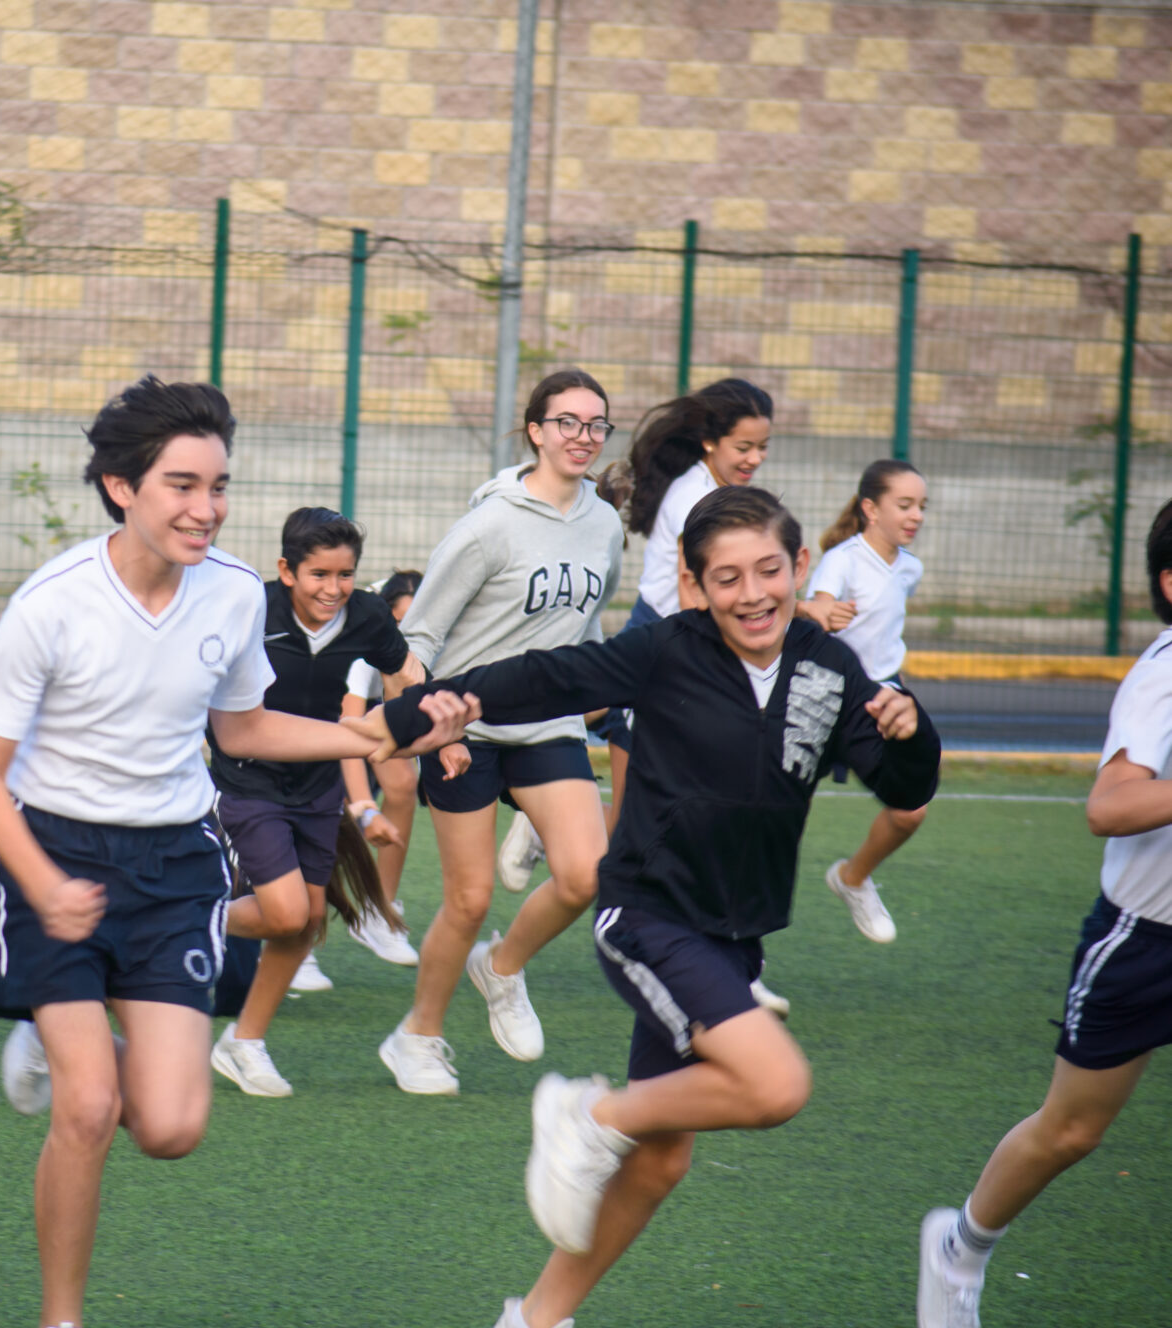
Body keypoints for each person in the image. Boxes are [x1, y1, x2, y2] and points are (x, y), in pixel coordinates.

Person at [0, 377, 470, 1328]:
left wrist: (383, 731)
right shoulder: (51, 603)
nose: (205, 505)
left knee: (173, 1127)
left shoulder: (232, 592)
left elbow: (242, 727)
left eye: (218, 483)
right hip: (49, 848)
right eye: (181, 483)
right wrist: (43, 883)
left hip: (175, 863)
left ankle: (75, 1037)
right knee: (90, 1106)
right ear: (120, 487)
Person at [366, 484, 940, 1328]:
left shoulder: (830, 666)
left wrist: (909, 730)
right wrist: (434, 705)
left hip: (734, 933)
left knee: (661, 1161)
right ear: (695, 582)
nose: (751, 593)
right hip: (649, 914)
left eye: (768, 571)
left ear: (798, 567)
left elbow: (900, 782)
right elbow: (547, 675)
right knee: (776, 1085)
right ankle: (586, 1111)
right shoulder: (667, 651)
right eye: (726, 577)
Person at [916, 497, 1172, 1328]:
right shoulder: (1165, 675)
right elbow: (1110, 803)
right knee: (1072, 1130)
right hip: (1146, 942)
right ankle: (962, 1249)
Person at [378, 370, 623, 1095]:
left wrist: (601, 694)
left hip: (545, 723)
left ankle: (503, 965)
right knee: (469, 898)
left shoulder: (605, 524)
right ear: (536, 431)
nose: (583, 436)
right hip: (467, 727)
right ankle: (417, 1035)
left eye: (597, 424)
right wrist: (436, 730)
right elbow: (413, 641)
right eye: (568, 422)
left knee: (585, 873)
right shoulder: (487, 525)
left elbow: (589, 621)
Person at [205, 507, 422, 1097]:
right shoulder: (252, 610)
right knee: (284, 913)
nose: (333, 589)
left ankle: (243, 1044)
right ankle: (172, 924)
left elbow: (405, 669)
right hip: (249, 781)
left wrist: (429, 727)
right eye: (319, 575)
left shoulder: (368, 614)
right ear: (286, 571)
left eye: (345, 574)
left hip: (317, 785)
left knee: (304, 926)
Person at [589, 377, 789, 1018]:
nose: (755, 457)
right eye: (744, 445)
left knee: (725, 810)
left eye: (763, 447)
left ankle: (735, 959)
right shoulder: (692, 498)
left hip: (705, 649)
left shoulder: (730, 496)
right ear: (710, 441)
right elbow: (694, 592)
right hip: (671, 646)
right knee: (647, 822)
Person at [799, 459, 930, 945]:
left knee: (910, 810)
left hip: (882, 699)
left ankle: (852, 878)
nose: (916, 515)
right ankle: (741, 947)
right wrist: (826, 611)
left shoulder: (910, 567)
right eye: (905, 505)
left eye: (921, 506)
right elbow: (818, 613)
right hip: (825, 696)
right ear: (870, 509)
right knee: (778, 818)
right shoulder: (843, 559)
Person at [337, 569, 425, 970]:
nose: (406, 633)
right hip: (316, 719)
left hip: (372, 718)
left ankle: (378, 910)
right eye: (399, 623)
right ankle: (297, 938)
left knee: (403, 784)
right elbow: (345, 733)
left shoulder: (430, 642)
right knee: (325, 816)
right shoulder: (364, 642)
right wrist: (363, 807)